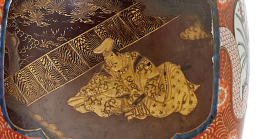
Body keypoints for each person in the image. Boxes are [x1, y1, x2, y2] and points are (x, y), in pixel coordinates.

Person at [67, 38, 197, 120]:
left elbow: (151, 82)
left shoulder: (136, 61)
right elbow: (99, 78)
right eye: (107, 60)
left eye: (111, 59)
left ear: (119, 54)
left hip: (155, 86)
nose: (110, 64)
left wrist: (141, 101)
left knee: (159, 107)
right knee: (100, 95)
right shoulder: (110, 68)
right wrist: (89, 91)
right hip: (136, 95)